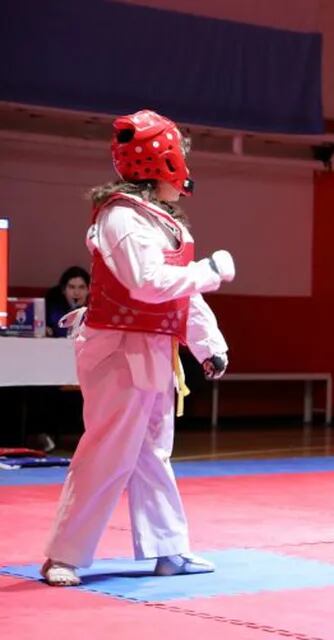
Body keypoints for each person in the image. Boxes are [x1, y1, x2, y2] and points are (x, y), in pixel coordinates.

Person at [41, 110, 236, 586]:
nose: (186, 169)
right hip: (116, 349)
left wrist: (208, 345)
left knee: (152, 453)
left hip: (153, 350)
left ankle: (169, 549)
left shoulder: (165, 223)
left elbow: (179, 296)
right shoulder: (121, 218)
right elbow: (149, 283)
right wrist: (213, 271)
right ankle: (63, 555)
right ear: (163, 165)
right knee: (107, 450)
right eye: (181, 158)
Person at [45, 267, 90, 338]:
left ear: (88, 290)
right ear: (63, 290)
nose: (77, 293)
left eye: (81, 287)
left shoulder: (95, 312)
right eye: (72, 287)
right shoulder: (52, 311)